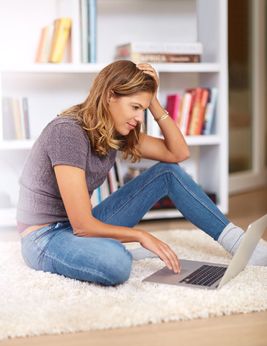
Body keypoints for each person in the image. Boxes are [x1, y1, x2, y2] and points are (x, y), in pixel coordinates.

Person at [17, 60, 267, 287]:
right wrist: (141, 235)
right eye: (135, 107)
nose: (138, 117)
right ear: (109, 96)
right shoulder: (67, 132)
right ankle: (108, 249)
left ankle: (241, 244)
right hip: (44, 236)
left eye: (143, 109)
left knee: (167, 172)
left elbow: (177, 154)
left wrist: (154, 102)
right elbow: (83, 226)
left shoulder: (115, 131)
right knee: (116, 265)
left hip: (77, 227)